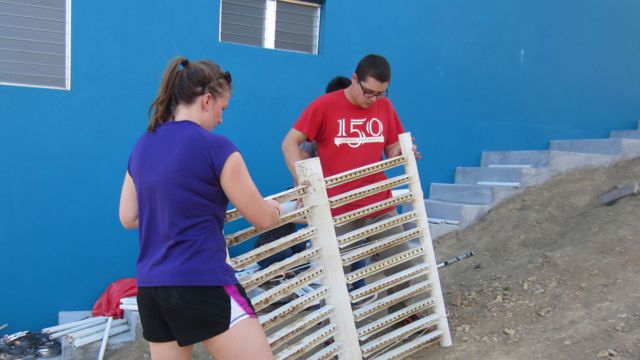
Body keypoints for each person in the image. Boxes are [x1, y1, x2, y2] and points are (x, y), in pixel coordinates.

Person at [119, 56, 280, 360]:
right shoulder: (217, 148)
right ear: (207, 100)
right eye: (223, 108)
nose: (221, 119)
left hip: (153, 289)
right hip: (203, 282)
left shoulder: (142, 145)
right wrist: (276, 208)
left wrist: (169, 211)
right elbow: (260, 217)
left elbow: (128, 217)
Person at [281, 54, 421, 313]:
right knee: (335, 279)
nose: (374, 99)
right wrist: (304, 184)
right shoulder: (324, 106)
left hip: (379, 202)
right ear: (354, 79)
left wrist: (402, 151)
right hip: (338, 210)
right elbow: (290, 142)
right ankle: (334, 338)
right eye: (369, 92)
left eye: (381, 93)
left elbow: (391, 146)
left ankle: (403, 318)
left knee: (401, 266)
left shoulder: (385, 108)